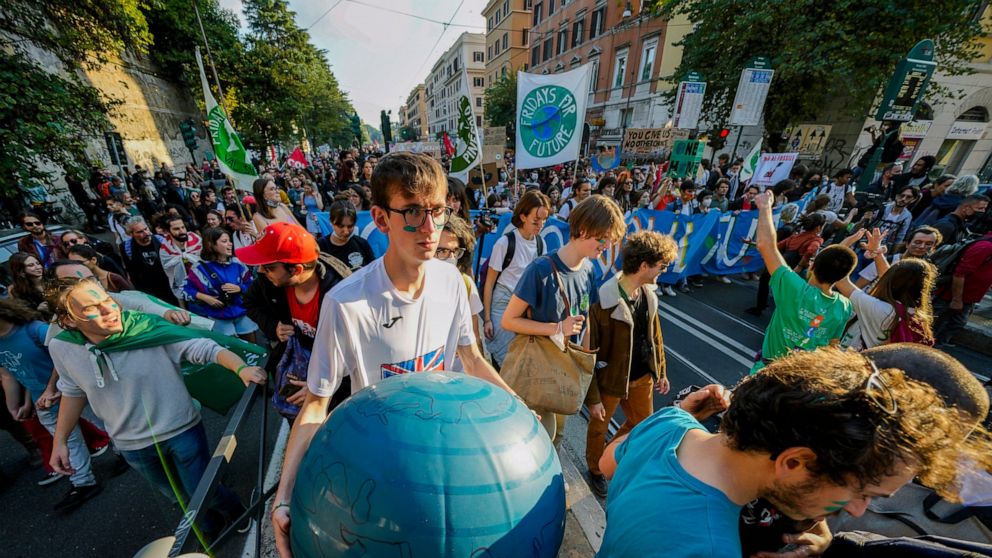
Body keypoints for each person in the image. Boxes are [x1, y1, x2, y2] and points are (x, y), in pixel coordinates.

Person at [270, 152, 518, 558]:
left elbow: (473, 360)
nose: (430, 227)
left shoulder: (452, 282)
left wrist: (518, 407)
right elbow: (315, 406)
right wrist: (283, 498)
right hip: (383, 467)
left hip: (440, 451)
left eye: (437, 210)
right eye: (413, 212)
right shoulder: (346, 303)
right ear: (381, 218)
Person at [597, 346, 992, 558]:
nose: (858, 511)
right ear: (795, 461)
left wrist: (675, 416)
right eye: (863, 493)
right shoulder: (709, 547)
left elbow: (607, 463)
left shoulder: (670, 426)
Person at [47, 277, 266, 532]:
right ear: (69, 320)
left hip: (181, 430)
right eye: (91, 308)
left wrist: (241, 368)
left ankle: (235, 510)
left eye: (108, 300)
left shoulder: (146, 328)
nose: (109, 310)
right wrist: (60, 441)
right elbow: (72, 391)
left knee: (204, 491)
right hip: (131, 445)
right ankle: (211, 527)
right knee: (179, 497)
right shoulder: (62, 347)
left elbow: (204, 348)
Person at [502, 195, 627, 441]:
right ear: (583, 229)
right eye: (603, 238)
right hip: (535, 374)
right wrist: (557, 327)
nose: (607, 245)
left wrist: (588, 382)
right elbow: (508, 320)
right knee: (534, 438)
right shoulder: (540, 270)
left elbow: (585, 325)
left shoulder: (588, 270)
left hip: (565, 375)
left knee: (557, 436)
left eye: (611, 239)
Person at [585, 230, 675, 498]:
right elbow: (588, 354)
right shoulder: (603, 300)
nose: (663, 271)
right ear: (644, 265)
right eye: (661, 266)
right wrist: (593, 398)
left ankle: (609, 454)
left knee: (642, 425)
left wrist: (660, 370)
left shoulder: (648, 294)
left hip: (642, 377)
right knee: (599, 427)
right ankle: (595, 469)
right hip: (611, 379)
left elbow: (655, 336)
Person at [240, 222, 352, 421]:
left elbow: (355, 350)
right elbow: (250, 302)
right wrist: (273, 326)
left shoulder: (342, 293)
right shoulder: (270, 281)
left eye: (269, 267)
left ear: (297, 269)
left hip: (338, 387)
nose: (261, 271)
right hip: (296, 371)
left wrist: (321, 387)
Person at [0, 298, 104, 511]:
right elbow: (10, 375)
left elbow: (64, 353)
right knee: (67, 442)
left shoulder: (34, 329)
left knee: (105, 421)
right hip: (44, 403)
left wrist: (51, 387)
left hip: (74, 391)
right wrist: (18, 405)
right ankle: (83, 483)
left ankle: (124, 454)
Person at [752, 191, 855, 372]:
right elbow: (832, 345)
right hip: (803, 380)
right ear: (841, 278)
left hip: (767, 374)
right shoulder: (844, 306)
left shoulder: (793, 287)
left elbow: (766, 245)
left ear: (812, 265)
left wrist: (765, 207)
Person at [482, 190, 553, 366]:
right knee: (504, 359)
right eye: (536, 221)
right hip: (503, 303)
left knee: (521, 361)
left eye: (544, 220)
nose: (540, 225)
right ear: (522, 217)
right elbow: (489, 283)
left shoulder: (541, 244)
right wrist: (487, 319)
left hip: (525, 306)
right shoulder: (505, 243)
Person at [183, 228, 257, 341]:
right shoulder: (199, 268)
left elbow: (251, 284)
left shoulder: (238, 263)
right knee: (232, 347)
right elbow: (186, 289)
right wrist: (205, 297)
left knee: (252, 345)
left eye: (229, 240)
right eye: (224, 241)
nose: (230, 244)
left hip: (242, 312)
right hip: (218, 316)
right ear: (210, 245)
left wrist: (240, 288)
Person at [745, 213, 826, 317]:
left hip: (781, 266)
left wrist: (753, 243)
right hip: (795, 270)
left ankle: (760, 307)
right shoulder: (816, 240)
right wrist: (799, 266)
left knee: (765, 279)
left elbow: (775, 246)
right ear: (818, 227)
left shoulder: (795, 237)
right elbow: (811, 250)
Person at [435, 215, 485, 363]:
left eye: (455, 251)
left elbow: (475, 337)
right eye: (442, 251)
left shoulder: (466, 284)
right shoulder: (412, 289)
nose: (451, 258)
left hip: (460, 370)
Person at [932, 229, 992, 345]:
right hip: (950, 297)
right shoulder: (985, 246)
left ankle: (939, 345)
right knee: (936, 324)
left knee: (956, 324)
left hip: (968, 298)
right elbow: (959, 274)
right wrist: (956, 300)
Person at [856, 226, 941, 288]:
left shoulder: (925, 273)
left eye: (928, 244)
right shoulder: (888, 261)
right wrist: (878, 255)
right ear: (907, 244)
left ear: (933, 248)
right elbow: (858, 286)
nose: (922, 246)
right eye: (918, 242)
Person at [120, 216, 178, 305]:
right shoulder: (126, 248)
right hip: (147, 290)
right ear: (131, 234)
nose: (146, 233)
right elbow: (130, 271)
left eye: (146, 229)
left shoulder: (162, 241)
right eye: (140, 232)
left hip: (168, 286)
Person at [316, 201, 375, 271]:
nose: (346, 231)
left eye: (350, 226)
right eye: (341, 226)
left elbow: (373, 270)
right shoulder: (320, 246)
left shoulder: (362, 244)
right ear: (331, 222)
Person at [159, 215, 203, 302]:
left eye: (183, 227)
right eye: (176, 229)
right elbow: (170, 273)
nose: (182, 231)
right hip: (186, 289)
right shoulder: (165, 250)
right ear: (167, 231)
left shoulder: (196, 240)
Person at [66, 244, 133, 293]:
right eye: (72, 263)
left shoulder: (114, 278)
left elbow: (134, 299)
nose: (76, 266)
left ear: (93, 260)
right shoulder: (77, 282)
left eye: (79, 262)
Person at [872, 186, 918, 250]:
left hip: (883, 248)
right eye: (902, 195)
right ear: (896, 196)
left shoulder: (907, 216)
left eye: (908, 197)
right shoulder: (883, 207)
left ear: (913, 200)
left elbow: (900, 236)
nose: (903, 199)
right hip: (869, 241)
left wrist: (892, 252)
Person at [8, 252, 49, 318]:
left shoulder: (51, 276)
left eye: (38, 263)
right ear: (21, 272)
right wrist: (38, 309)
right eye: (31, 265)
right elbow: (24, 314)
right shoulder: (18, 292)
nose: (38, 267)